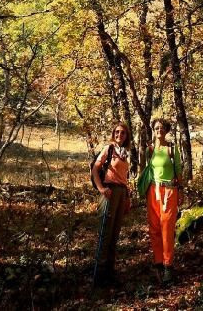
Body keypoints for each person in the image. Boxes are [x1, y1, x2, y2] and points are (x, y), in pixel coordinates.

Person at [91, 121, 132, 287]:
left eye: (123, 133)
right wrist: (101, 188)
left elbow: (125, 177)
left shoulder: (125, 153)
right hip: (109, 192)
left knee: (115, 234)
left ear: (126, 135)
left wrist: (128, 196)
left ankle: (110, 273)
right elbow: (95, 168)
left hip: (121, 193)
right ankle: (98, 278)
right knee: (105, 234)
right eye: (117, 132)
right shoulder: (108, 149)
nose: (119, 135)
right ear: (113, 133)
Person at [145, 118, 183, 284]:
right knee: (154, 228)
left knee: (167, 227)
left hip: (169, 191)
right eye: (156, 128)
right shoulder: (150, 149)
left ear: (166, 130)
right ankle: (158, 263)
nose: (159, 130)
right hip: (153, 191)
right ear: (153, 130)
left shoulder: (172, 149)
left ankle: (168, 266)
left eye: (162, 128)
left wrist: (180, 190)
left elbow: (179, 170)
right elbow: (146, 170)